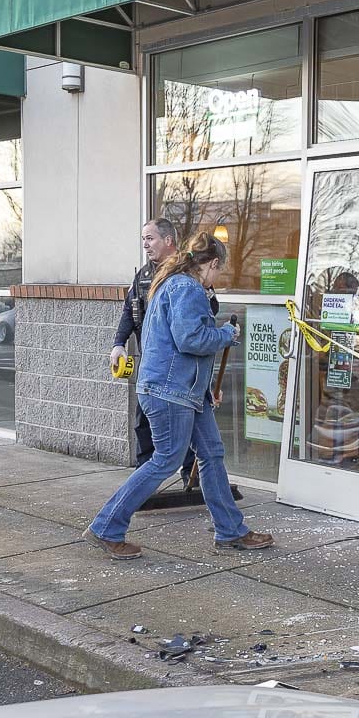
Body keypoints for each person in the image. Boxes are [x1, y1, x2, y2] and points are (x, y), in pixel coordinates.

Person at [86, 233, 272, 558]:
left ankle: (230, 532)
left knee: (211, 454)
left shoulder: (172, 283)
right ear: (212, 263)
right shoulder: (187, 287)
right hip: (169, 391)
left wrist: (204, 389)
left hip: (185, 391)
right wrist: (227, 334)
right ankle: (107, 527)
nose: (218, 278)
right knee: (166, 459)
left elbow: (181, 343)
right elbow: (190, 340)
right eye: (219, 271)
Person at [111, 219, 223, 489]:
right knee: (154, 437)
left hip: (180, 374)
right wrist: (118, 343)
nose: (145, 245)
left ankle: (193, 482)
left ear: (169, 240)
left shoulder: (185, 279)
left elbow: (201, 324)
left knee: (203, 448)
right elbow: (131, 310)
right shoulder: (148, 277)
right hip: (161, 370)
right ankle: (141, 485)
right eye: (143, 239)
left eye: (150, 238)